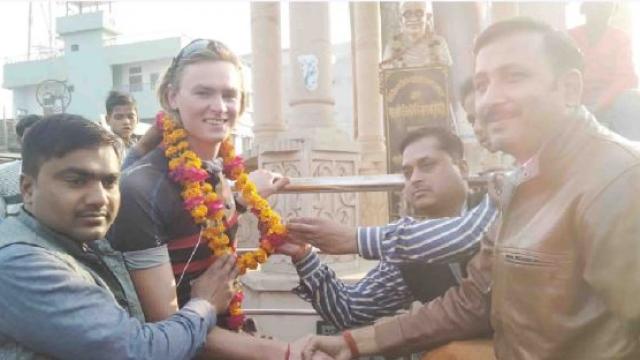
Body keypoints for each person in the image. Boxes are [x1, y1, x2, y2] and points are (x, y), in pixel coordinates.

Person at [301, 18, 640, 359]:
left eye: (515, 77)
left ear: (569, 89)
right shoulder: (517, 184)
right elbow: (475, 300)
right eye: (482, 84)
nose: (491, 100)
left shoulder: (619, 180)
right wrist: (353, 343)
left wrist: (357, 239)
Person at [108, 39, 302, 359]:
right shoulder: (142, 189)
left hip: (224, 334)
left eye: (229, 95)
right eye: (203, 93)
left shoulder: (215, 173)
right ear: (173, 97)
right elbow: (165, 323)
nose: (219, 106)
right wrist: (286, 353)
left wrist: (240, 199)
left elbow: (198, 222)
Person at [0, 114, 239, 359]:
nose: (99, 199)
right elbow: (138, 351)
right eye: (76, 181)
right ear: (28, 189)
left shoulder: (80, 236)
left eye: (109, 182)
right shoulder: (20, 263)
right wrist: (205, 304)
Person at [282, 127, 498, 331]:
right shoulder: (406, 253)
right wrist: (304, 257)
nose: (415, 179)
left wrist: (355, 239)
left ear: (463, 168)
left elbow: (468, 234)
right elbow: (349, 310)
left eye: (427, 165)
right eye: (407, 172)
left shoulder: (497, 202)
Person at [568, 2, 640, 139]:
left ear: (612, 11)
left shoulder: (620, 38)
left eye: (606, 6)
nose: (601, 10)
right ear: (584, 9)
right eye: (595, 5)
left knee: (632, 99)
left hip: (611, 102)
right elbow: (561, 72)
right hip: (576, 101)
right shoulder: (570, 37)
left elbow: (627, 78)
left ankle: (634, 155)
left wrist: (599, 104)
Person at [380, 1, 452, 69]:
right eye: (407, 14)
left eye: (419, 13)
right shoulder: (392, 45)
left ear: (427, 18)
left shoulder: (439, 42)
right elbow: (386, 75)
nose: (413, 18)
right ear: (400, 20)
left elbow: (446, 73)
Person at [0, 114, 42, 218]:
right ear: (19, 141)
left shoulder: (64, 173)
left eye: (41, 137)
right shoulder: (3, 175)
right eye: (30, 137)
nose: (37, 142)